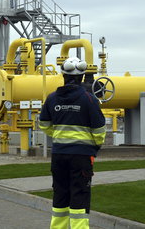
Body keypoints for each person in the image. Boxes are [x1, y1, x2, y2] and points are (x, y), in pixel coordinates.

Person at [39, 57, 106, 229]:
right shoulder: (89, 99)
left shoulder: (52, 98)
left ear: (63, 76)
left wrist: (59, 136)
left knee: (60, 194)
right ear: (82, 77)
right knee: (80, 195)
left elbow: (44, 124)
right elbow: (99, 130)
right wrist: (94, 145)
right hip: (82, 156)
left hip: (59, 154)